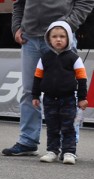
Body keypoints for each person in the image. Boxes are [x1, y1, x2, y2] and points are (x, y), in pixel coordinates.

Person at [3, 0, 94, 156]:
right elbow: (19, 3)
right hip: (31, 38)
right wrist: (16, 27)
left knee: (68, 92)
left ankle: (69, 146)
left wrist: (67, 25)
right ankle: (28, 141)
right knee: (29, 91)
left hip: (61, 42)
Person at [31, 21, 88, 165]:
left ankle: (69, 152)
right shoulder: (44, 58)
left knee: (68, 126)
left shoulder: (74, 58)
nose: (58, 39)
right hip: (49, 99)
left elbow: (82, 79)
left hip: (68, 99)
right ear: (48, 39)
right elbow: (37, 78)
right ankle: (52, 151)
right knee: (52, 126)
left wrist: (82, 98)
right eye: (54, 36)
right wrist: (35, 96)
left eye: (62, 36)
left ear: (68, 38)